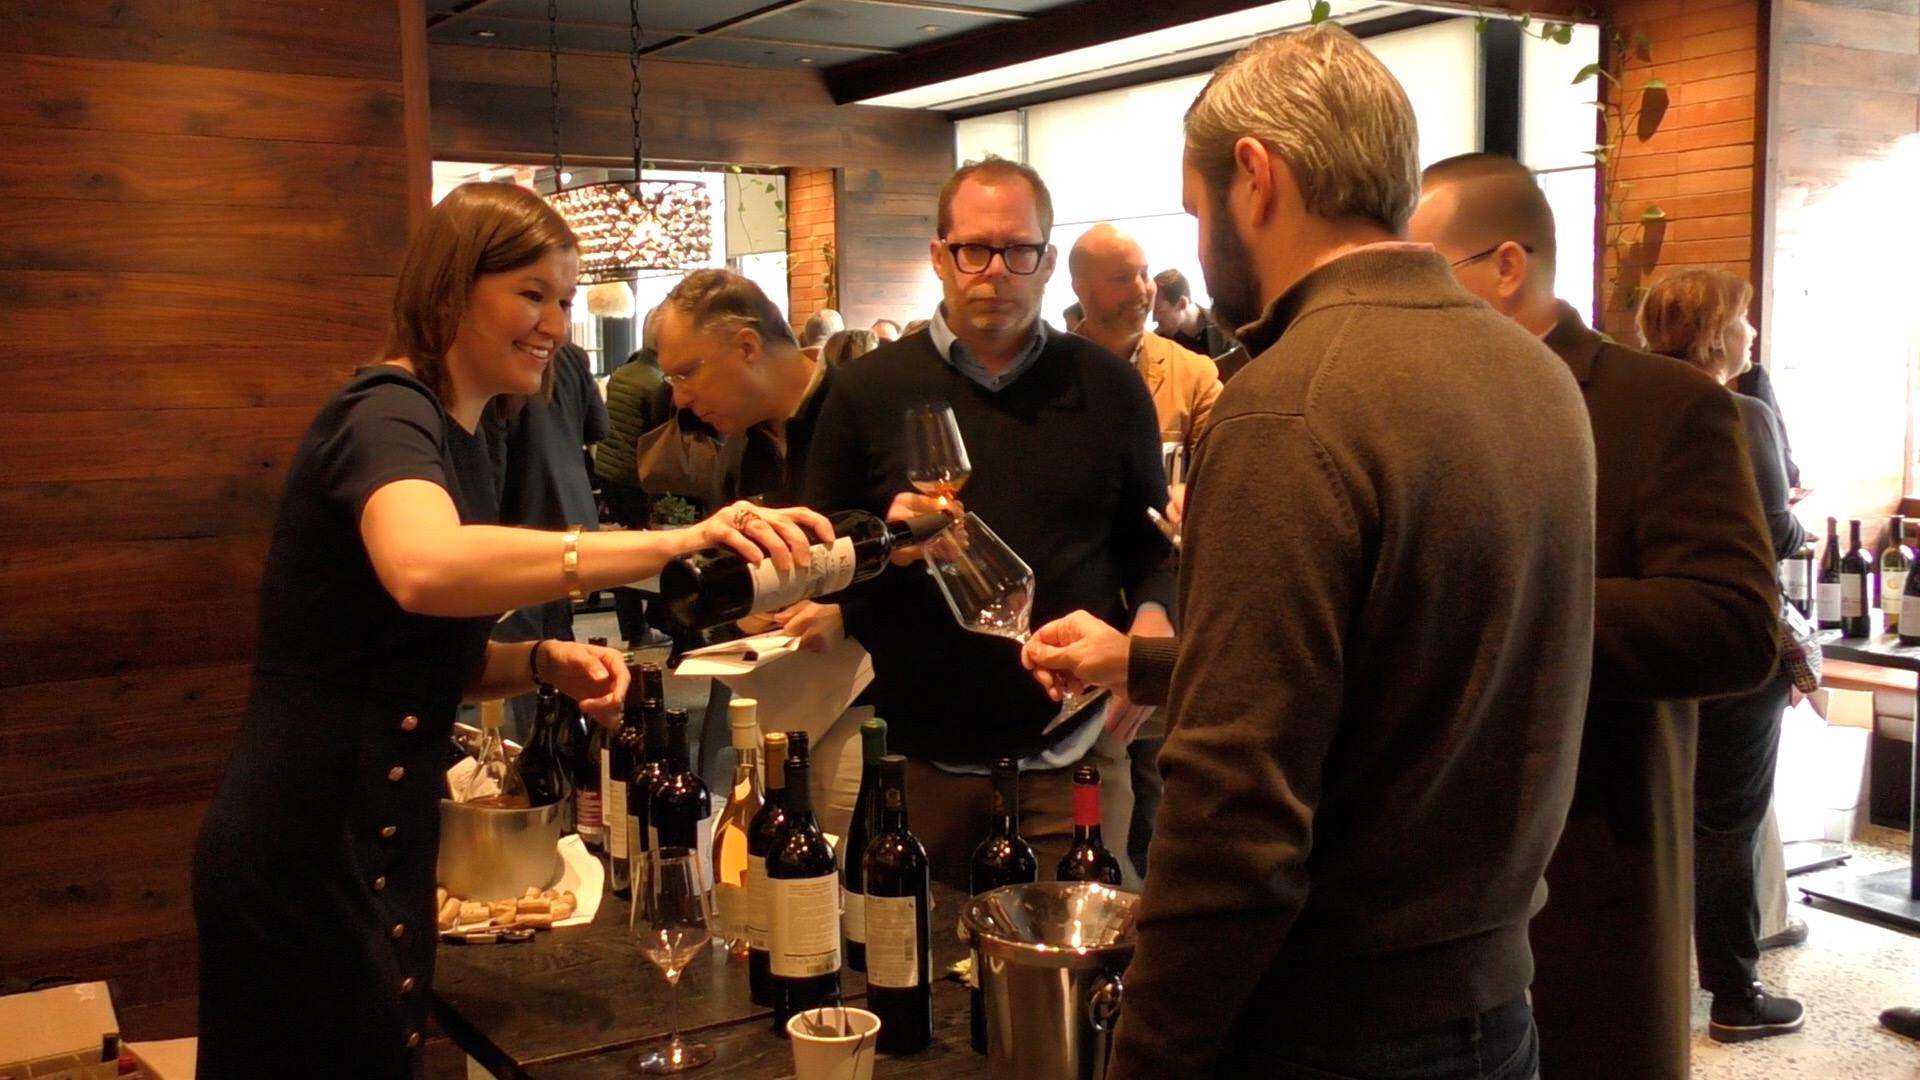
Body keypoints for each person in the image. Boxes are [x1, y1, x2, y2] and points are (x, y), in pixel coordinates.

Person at [1025, 28, 1597, 1079]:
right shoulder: (1540, 377)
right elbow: (1413, 669)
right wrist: (1144, 662)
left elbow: (1236, 817)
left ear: (1256, 176)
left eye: (1196, 213)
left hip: (1332, 1023)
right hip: (1498, 1004)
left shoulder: (1284, 407)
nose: (1199, 247)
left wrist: (1147, 1056)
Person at [189, 182, 830, 1079]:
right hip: (307, 840)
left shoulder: (467, 437)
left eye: (565, 300)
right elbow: (423, 568)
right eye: (532, 294)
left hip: (379, 834)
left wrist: (536, 661)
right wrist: (669, 542)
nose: (556, 326)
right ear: (451, 289)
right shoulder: (384, 412)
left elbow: (409, 655)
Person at [1407, 152, 1779, 1080]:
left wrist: (1511, 611)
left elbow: (1735, 623)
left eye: (1422, 274)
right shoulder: (1409, 408)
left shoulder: (1662, 406)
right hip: (1421, 884)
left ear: (1507, 265)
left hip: (1592, 857)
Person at [805, 156, 1175, 891]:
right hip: (920, 756)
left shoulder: (1109, 388)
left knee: (1083, 953)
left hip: (1072, 755)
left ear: (1048, 262)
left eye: (1019, 251)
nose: (996, 271)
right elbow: (827, 560)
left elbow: (1152, 546)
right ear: (940, 257)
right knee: (912, 949)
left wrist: (1152, 629)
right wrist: (885, 545)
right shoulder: (866, 391)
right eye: (974, 249)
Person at [1639, 267, 1807, 1043]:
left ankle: (1651, 980)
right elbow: (1775, 533)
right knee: (1725, 822)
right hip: (1734, 644)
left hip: (1648, 639)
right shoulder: (1741, 413)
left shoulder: (1623, 406)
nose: (1753, 333)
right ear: (1714, 333)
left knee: (1655, 812)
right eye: (1743, 319)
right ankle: (1735, 997)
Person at [1067, 222, 1222, 874]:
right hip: (1085, 611)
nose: (1142, 289)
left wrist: (1199, 494)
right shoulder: (1053, 375)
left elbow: (1229, 479)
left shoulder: (1193, 373)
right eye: (1121, 278)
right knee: (1090, 797)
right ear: (1080, 288)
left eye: (1143, 273)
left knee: (1161, 794)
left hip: (1171, 605)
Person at [483, 339, 608, 735]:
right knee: (558, 644)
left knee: (523, 650)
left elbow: (494, 457)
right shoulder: (572, 356)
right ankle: (570, 746)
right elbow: (599, 427)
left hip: (521, 518)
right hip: (572, 512)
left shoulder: (499, 362)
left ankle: (543, 750)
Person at [594, 309, 670, 648]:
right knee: (650, 553)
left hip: (610, 472)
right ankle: (656, 623)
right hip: (636, 478)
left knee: (622, 552)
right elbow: (662, 437)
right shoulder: (656, 383)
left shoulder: (623, 373)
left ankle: (634, 628)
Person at [1149, 267, 1235, 359]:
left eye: (1160, 311)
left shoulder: (1226, 322)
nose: (1154, 319)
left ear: (1182, 303)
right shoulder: (1157, 344)